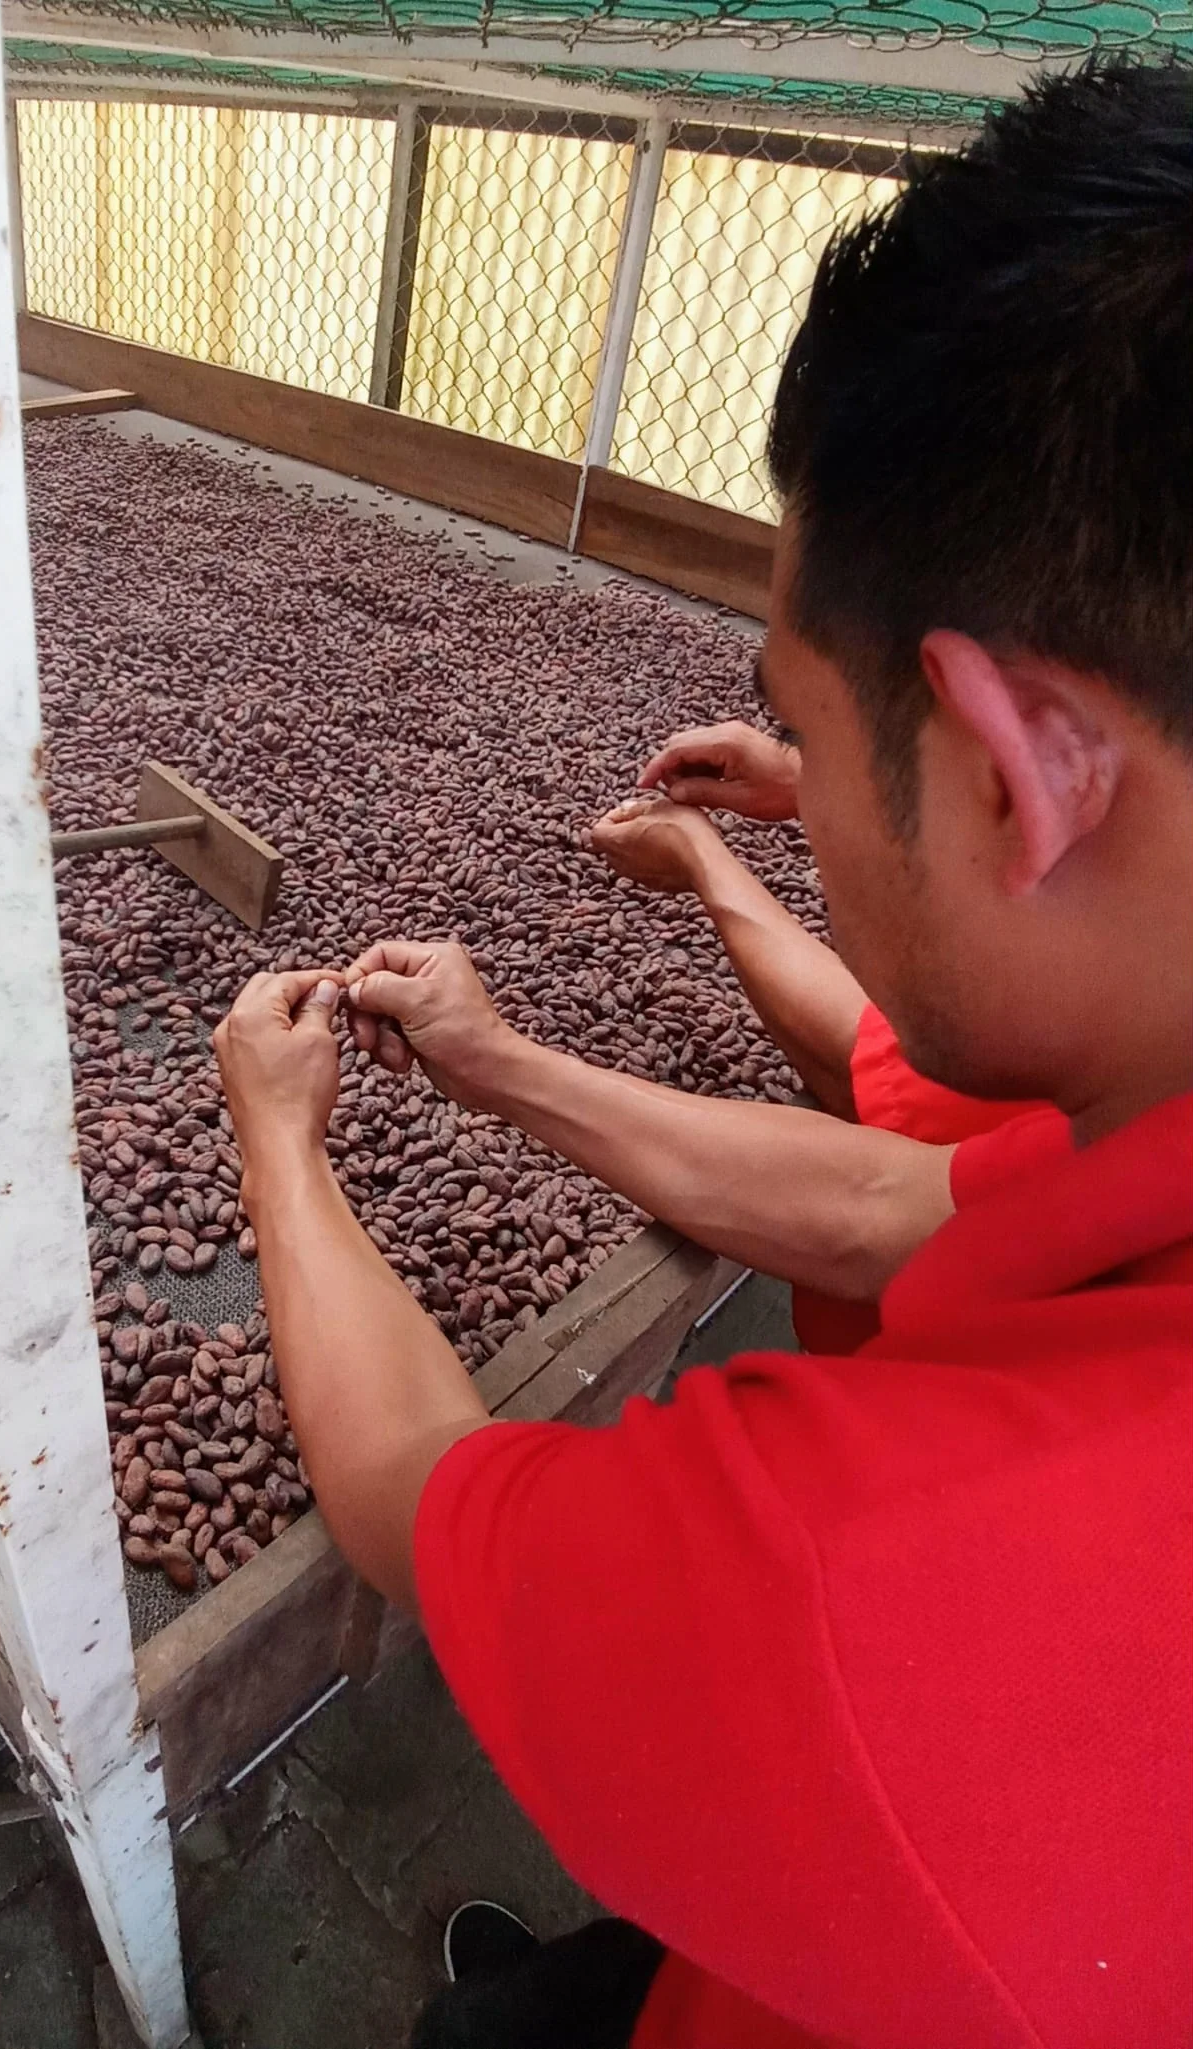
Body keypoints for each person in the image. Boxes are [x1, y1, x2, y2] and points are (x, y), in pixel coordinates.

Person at [214, 60, 1193, 2049]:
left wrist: (279, 1141)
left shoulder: (863, 1578)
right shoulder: (1137, 1127)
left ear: (1020, 774)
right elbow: (904, 1197)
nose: (793, 785)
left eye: (807, 729)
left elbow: (421, 1489)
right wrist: (507, 1062)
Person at [590, 722, 1054, 1350]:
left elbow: (863, 1206)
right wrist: (807, 780)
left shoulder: (1082, 1092)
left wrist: (493, 1060)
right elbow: (878, 1065)